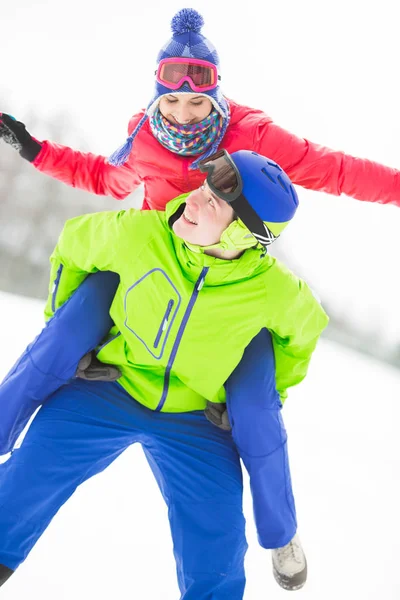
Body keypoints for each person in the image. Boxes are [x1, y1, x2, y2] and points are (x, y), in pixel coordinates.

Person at [0, 4, 396, 589]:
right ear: (156, 97)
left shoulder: (253, 146)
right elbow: (102, 186)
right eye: (171, 100)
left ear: (217, 96)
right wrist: (36, 152)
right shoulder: (143, 147)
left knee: (256, 406)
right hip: (152, 265)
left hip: (224, 292)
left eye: (197, 100)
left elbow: (334, 172)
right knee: (73, 324)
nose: (183, 113)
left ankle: (280, 535)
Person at [0, 150, 329, 599]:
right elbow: (75, 245)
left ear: (241, 231)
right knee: (27, 480)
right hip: (109, 384)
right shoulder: (140, 235)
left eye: (213, 204)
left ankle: (282, 536)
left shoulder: (275, 292)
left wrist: (273, 391)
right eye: (201, 190)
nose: (193, 202)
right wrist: (68, 324)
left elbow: (302, 335)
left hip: (195, 420)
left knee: (216, 542)